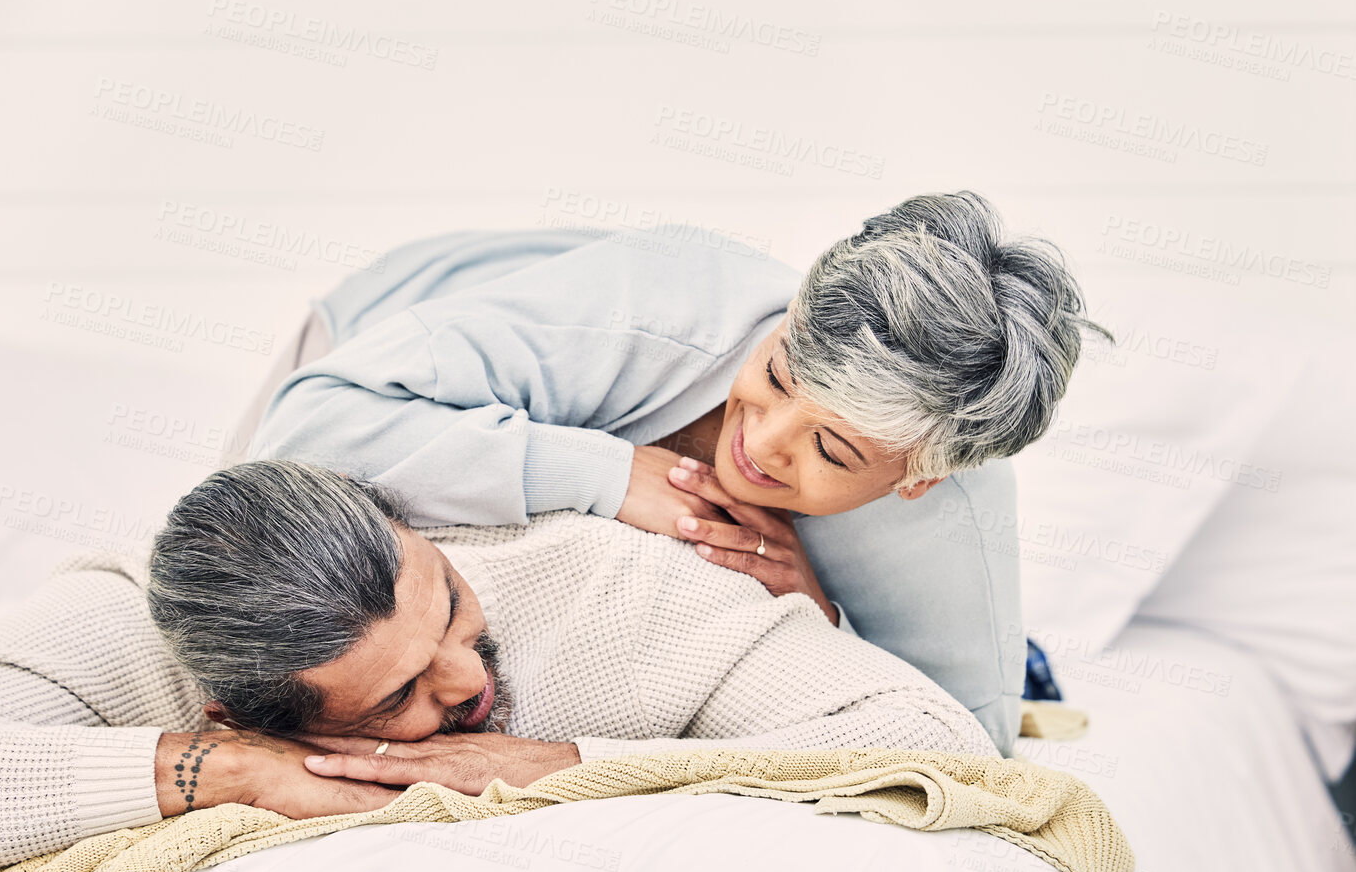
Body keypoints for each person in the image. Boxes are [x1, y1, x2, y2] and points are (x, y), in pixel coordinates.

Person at [0, 460, 994, 870]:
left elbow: (938, 749)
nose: (462, 679)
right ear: (234, 704)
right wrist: (219, 774)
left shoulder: (612, 586)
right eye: (398, 695)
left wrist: (566, 763)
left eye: (446, 608)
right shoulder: (131, 618)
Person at [242, 193, 1105, 755]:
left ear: (916, 477)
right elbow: (305, 431)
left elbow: (966, 748)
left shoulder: (949, 515)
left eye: (832, 451)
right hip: (377, 338)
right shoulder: (658, 301)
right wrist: (609, 474)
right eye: (775, 376)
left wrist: (822, 619)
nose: (763, 447)